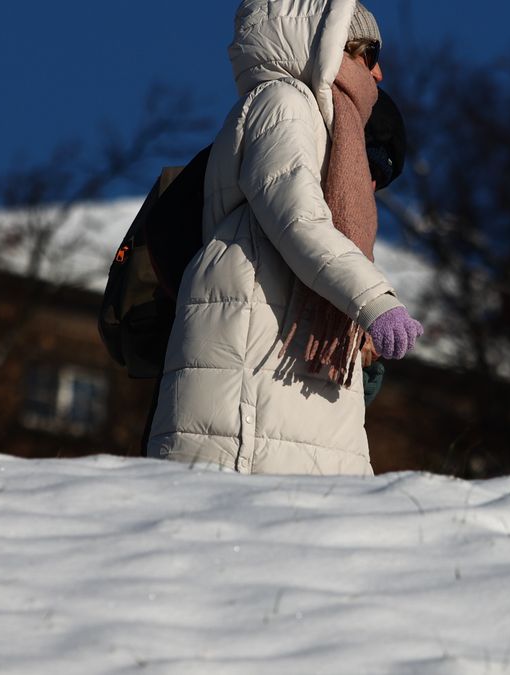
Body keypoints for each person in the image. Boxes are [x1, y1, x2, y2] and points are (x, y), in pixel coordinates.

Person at [145, 0, 423, 474]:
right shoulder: (284, 104)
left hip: (282, 381)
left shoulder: (327, 129)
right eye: (369, 55)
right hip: (249, 381)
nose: (379, 75)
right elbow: (298, 220)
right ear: (332, 43)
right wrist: (376, 300)